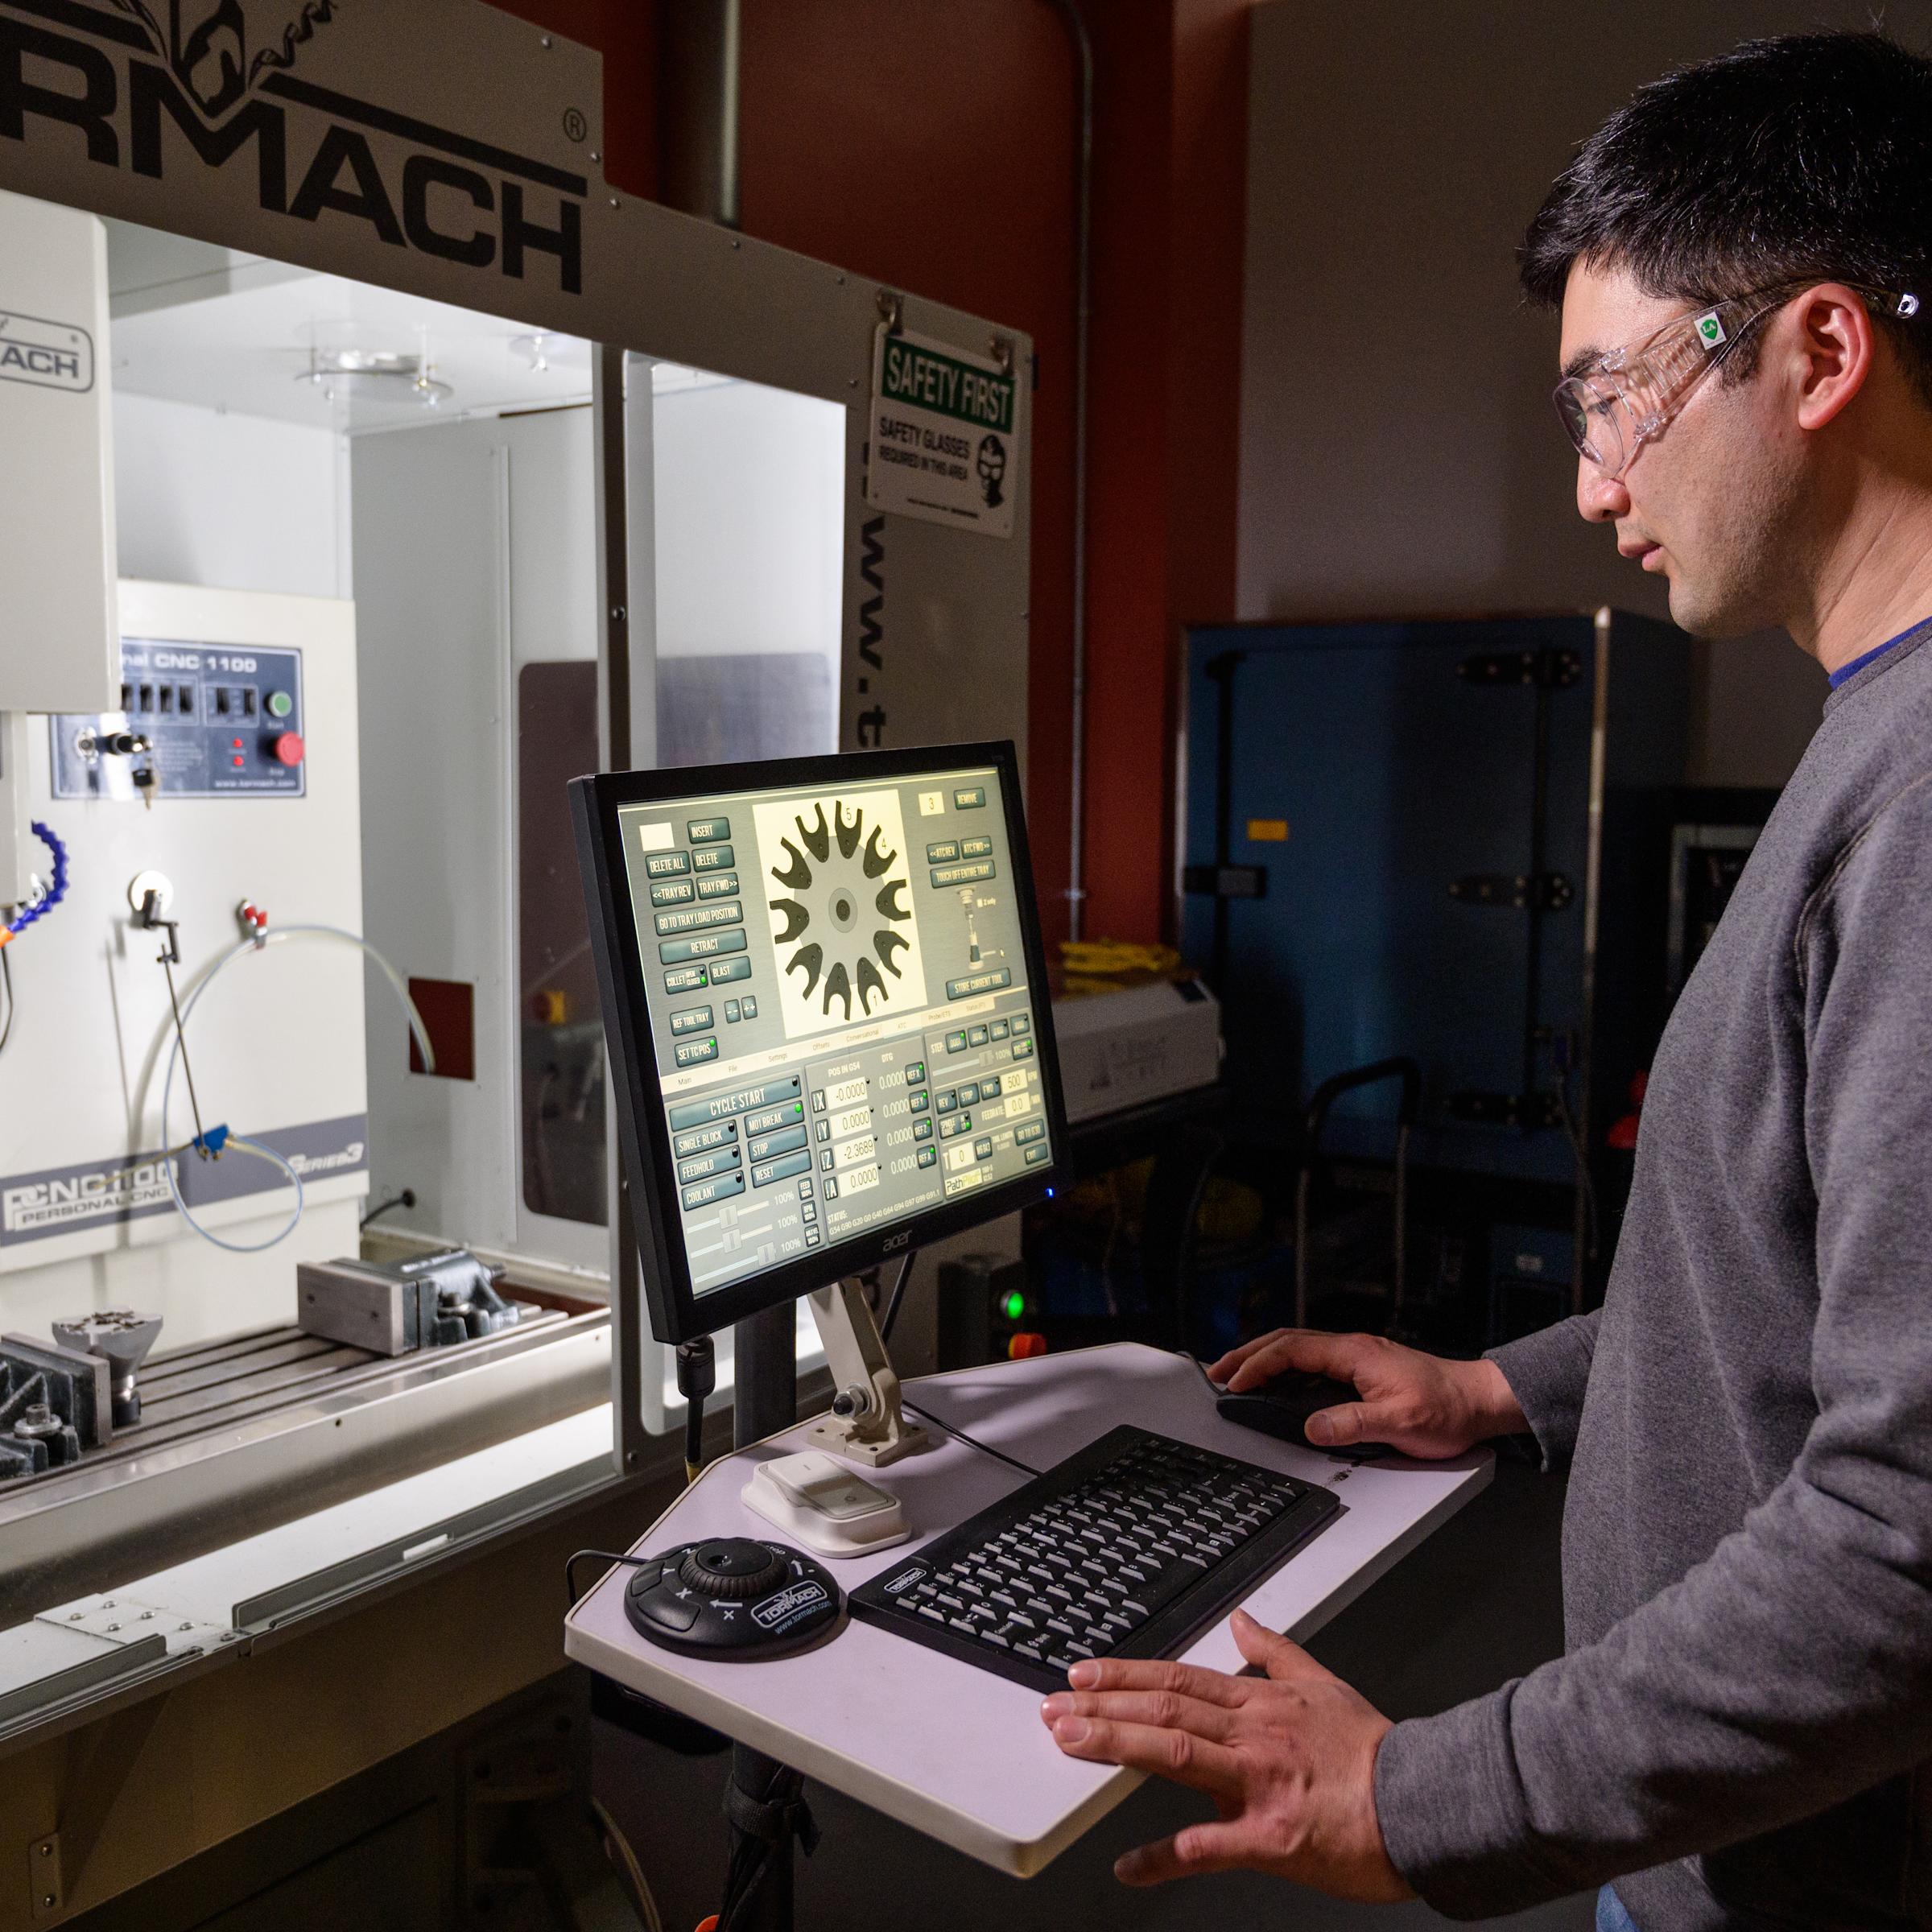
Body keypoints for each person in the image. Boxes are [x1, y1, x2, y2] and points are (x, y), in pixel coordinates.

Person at [1042, 31, 1932, 1930]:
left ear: (1821, 352)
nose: (1599, 486)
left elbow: (1901, 1537)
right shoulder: (1873, 743)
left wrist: (1433, 1789)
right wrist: (1496, 1389)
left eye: (1611, 400)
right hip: (1716, 1855)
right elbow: (1782, 1315)